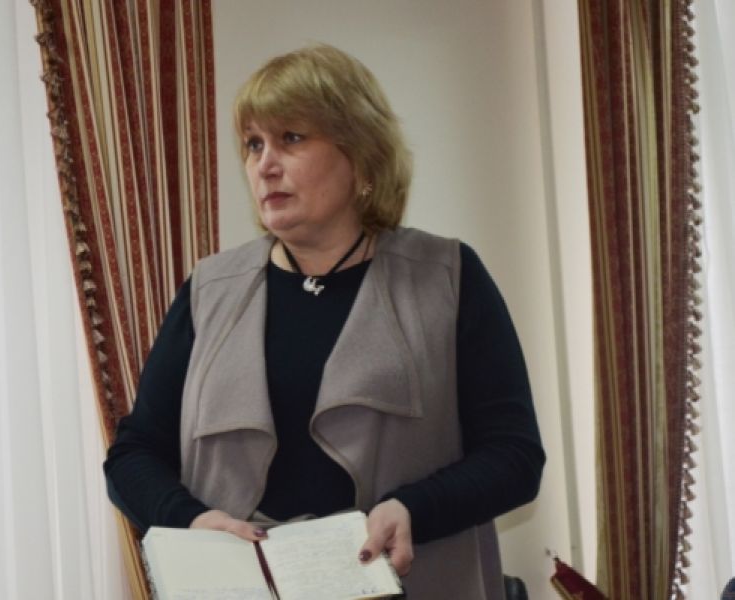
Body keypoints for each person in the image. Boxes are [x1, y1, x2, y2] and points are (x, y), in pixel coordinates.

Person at [104, 43, 545, 599]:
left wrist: (414, 508)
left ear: (360, 153)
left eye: (291, 138)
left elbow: (514, 456)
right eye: (254, 144)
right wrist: (190, 520)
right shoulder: (210, 289)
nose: (265, 165)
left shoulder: (448, 276)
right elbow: (133, 454)